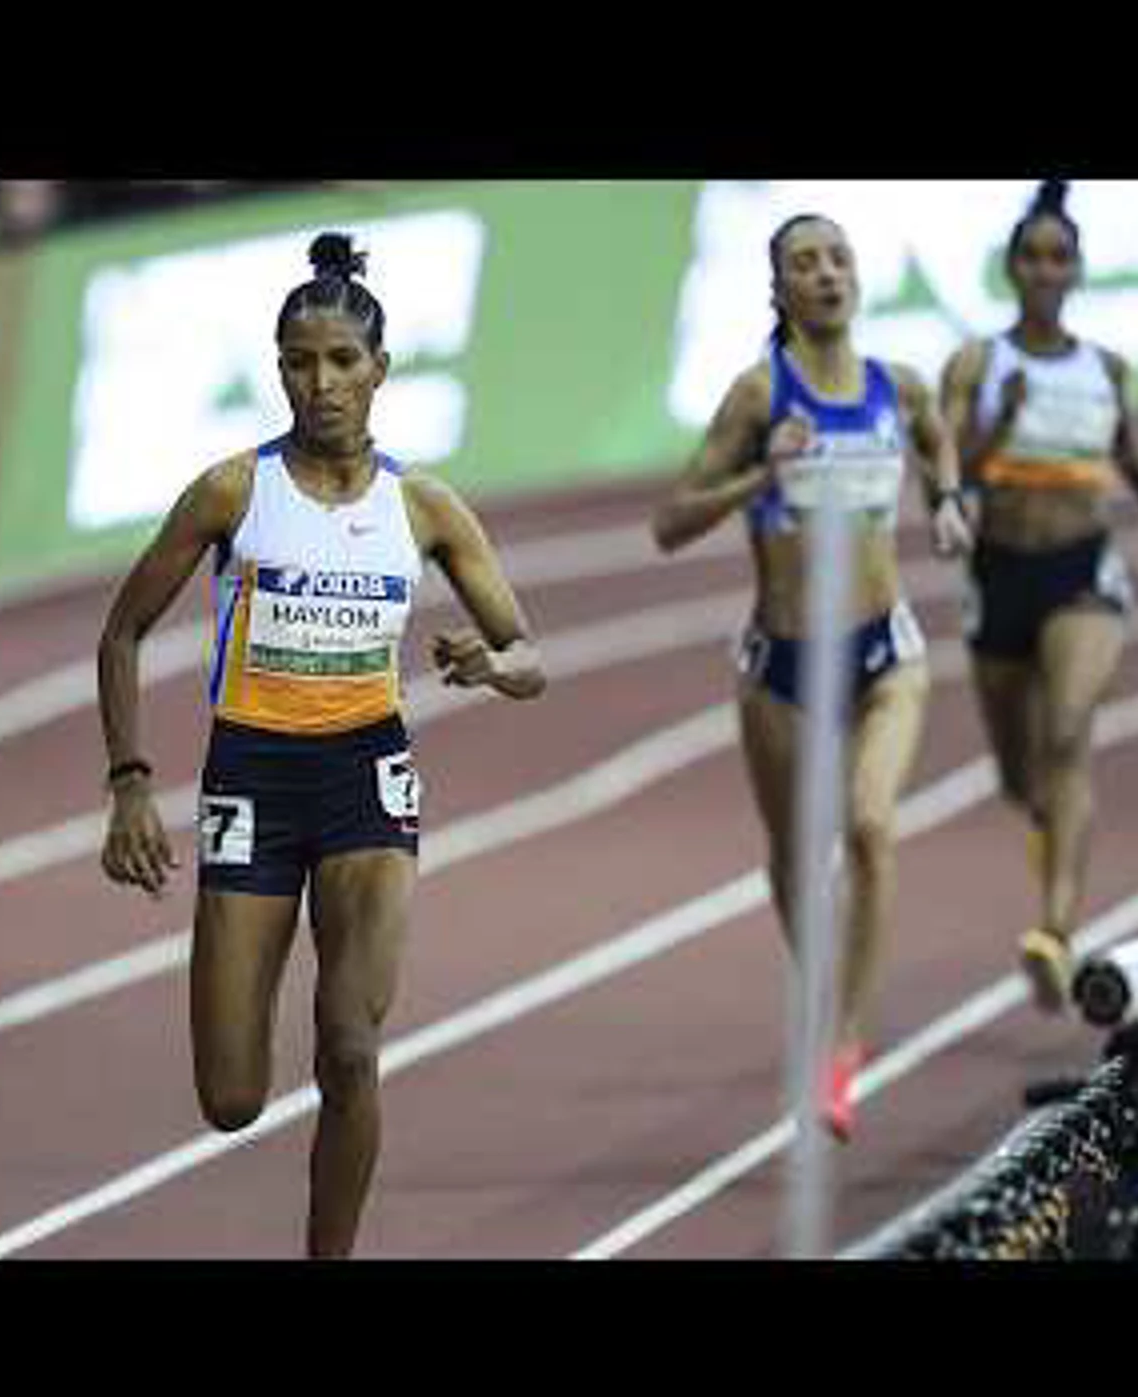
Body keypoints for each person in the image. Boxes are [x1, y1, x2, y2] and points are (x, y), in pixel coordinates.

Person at [95, 233, 547, 1258]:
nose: (322, 382)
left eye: (343, 361)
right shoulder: (230, 493)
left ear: (380, 370)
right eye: (300, 362)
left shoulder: (424, 507)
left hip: (365, 782)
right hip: (250, 779)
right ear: (279, 369)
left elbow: (530, 656)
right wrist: (129, 781)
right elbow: (122, 631)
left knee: (349, 1048)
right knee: (231, 1097)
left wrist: (490, 665)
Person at [651, 213, 973, 1141]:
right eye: (806, 263)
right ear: (779, 291)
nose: (827, 274)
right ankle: (829, 990)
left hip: (882, 656)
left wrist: (948, 501)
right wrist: (759, 479)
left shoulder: (897, 386)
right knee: (800, 857)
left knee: (870, 828)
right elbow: (670, 523)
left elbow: (934, 432)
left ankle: (843, 1045)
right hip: (782, 666)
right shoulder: (760, 397)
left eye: (838, 258)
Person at [938, 181, 1138, 1013]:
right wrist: (997, 425)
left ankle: (1053, 930)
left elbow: (1135, 460)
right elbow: (948, 470)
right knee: (1022, 780)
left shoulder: (1104, 368)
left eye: (1061, 257)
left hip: (1082, 572)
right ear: (1011, 268)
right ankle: (1051, 837)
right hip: (999, 576)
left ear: (1077, 270)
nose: (1047, 269)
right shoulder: (978, 364)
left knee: (1071, 729)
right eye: (1033, 256)